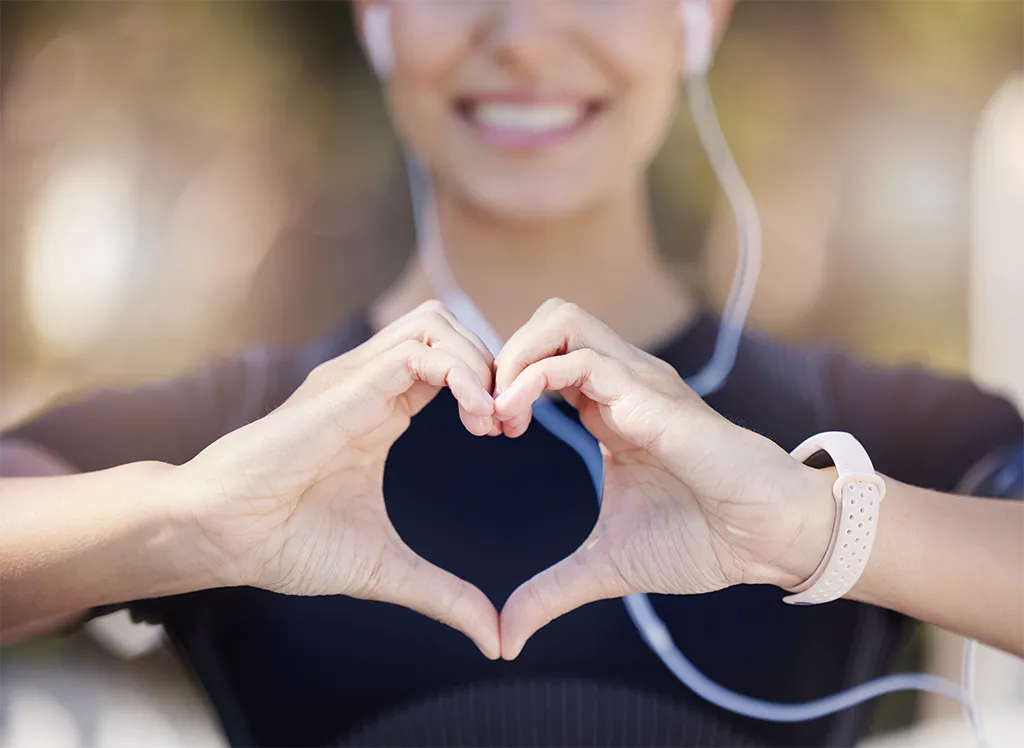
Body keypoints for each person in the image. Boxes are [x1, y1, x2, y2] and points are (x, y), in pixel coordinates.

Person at [3, 1, 1024, 746]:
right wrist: (183, 521)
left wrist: (817, 525)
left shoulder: (848, 429)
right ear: (376, 19)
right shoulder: (238, 434)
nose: (525, 35)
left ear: (699, 16)